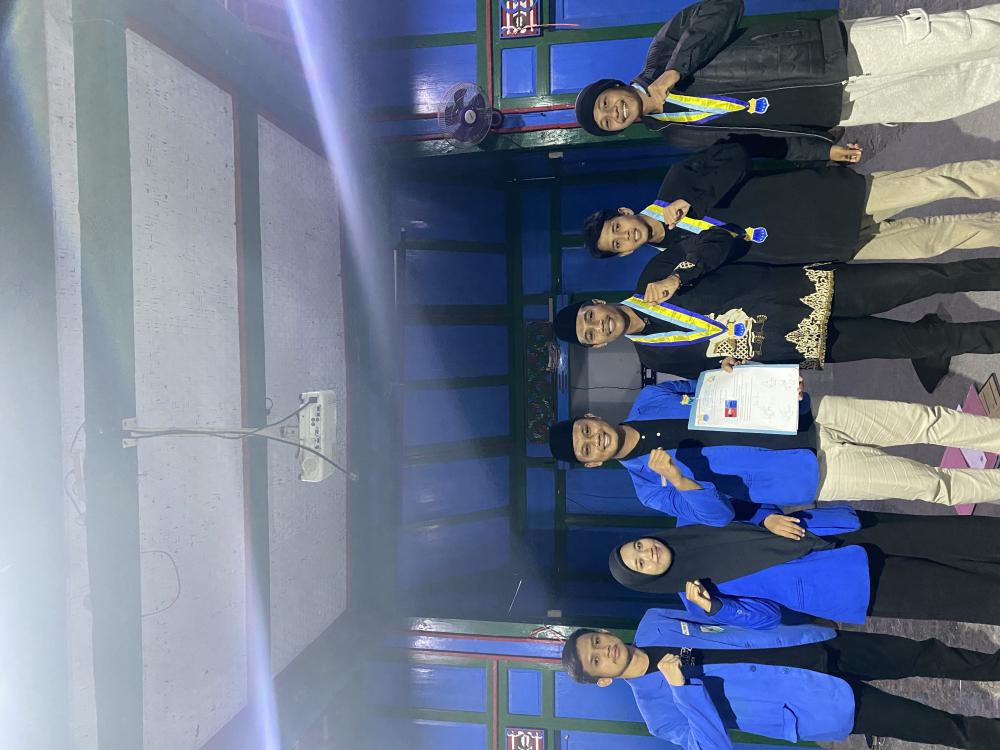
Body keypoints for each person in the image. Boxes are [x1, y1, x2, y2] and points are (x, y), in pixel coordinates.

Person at [574, 0, 1000, 162]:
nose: (613, 112)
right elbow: (758, 141)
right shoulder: (676, 135)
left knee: (955, 38)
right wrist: (821, 149)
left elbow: (723, 8)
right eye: (608, 122)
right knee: (944, 96)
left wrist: (674, 71)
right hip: (834, 108)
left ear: (613, 86)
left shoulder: (662, 53)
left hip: (827, 54)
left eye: (605, 102)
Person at [547, 378, 1000, 525]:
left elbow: (715, 386)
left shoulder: (651, 398)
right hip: (814, 473)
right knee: (931, 485)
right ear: (593, 462)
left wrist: (763, 381)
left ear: (592, 416)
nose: (594, 440)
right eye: (586, 449)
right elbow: (718, 517)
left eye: (586, 430)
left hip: (810, 416)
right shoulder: (650, 489)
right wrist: (680, 480)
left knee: (927, 420)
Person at [563, 608, 1000, 749]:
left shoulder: (654, 621)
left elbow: (726, 618)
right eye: (596, 661)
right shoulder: (657, 716)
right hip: (809, 703)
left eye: (597, 642)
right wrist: (683, 690)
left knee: (926, 654)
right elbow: (713, 746)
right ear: (603, 679)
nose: (605, 651)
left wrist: (719, 607)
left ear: (602, 632)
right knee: (939, 726)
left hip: (812, 645)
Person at [552, 253, 1000, 388]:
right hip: (803, 344)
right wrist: (737, 373)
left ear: (598, 302)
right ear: (597, 346)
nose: (598, 326)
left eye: (591, 316)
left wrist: (677, 276)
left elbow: (718, 241)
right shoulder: (656, 357)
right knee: (924, 344)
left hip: (810, 288)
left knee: (929, 278)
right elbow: (718, 378)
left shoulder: (653, 274)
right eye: (590, 335)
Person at [585, 140, 1000, 264]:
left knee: (939, 182)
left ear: (624, 213)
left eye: (617, 228)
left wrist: (691, 200)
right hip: (827, 246)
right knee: (937, 240)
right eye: (617, 244)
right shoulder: (678, 261)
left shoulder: (678, 180)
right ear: (625, 254)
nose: (626, 236)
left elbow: (737, 153)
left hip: (829, 198)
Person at [608, 512, 1000, 628]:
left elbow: (736, 505)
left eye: (639, 545)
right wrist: (717, 608)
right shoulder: (697, 598)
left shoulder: (691, 521)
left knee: (948, 536)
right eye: (641, 564)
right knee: (959, 594)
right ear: (647, 579)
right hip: (843, 587)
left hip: (830, 531)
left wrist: (765, 519)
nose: (648, 553)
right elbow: (767, 618)